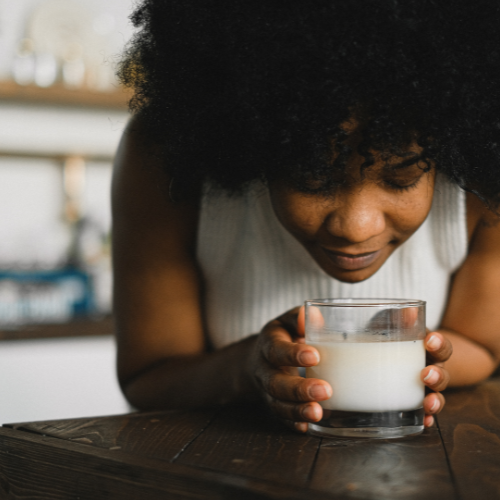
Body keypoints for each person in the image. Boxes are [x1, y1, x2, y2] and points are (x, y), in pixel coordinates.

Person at [112, 0, 500, 432]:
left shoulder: (485, 179)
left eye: (402, 177)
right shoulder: (166, 161)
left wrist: (424, 361)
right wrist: (247, 367)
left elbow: (483, 346)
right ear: (253, 143)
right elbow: (147, 378)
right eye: (313, 178)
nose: (356, 227)